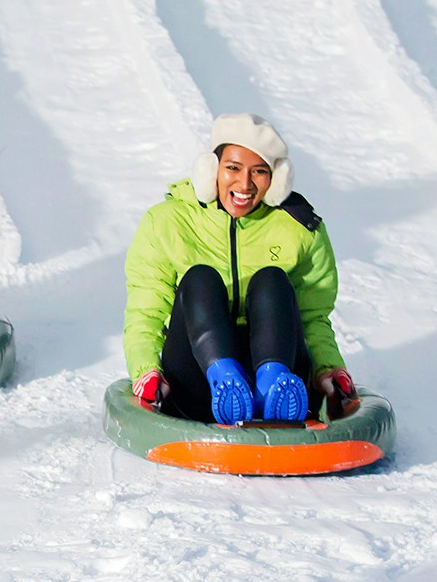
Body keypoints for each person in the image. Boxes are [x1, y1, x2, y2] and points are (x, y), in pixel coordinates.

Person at [123, 113, 356, 425]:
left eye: (259, 172)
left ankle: (272, 387)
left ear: (276, 179)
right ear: (211, 170)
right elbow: (145, 312)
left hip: (281, 361)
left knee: (272, 279)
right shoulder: (167, 221)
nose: (244, 184)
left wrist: (330, 368)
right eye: (233, 168)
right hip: (197, 377)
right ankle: (225, 380)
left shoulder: (301, 229)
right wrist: (147, 371)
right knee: (199, 278)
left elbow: (314, 317)